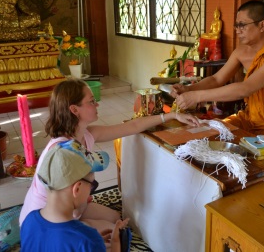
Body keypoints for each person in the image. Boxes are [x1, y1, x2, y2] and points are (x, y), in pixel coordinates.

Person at [19, 79, 200, 234]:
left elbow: (132, 127)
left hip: (73, 207)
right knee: (110, 233)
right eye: (91, 101)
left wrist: (171, 116)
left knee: (115, 219)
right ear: (74, 110)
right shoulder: (62, 152)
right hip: (47, 220)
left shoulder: (87, 134)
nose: (97, 104)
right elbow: (62, 208)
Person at [170, 0, 264, 143]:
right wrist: (188, 89)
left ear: (262, 25)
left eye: (242, 25)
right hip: (250, 119)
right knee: (209, 135)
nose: (237, 30)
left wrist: (196, 96)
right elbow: (216, 79)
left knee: (236, 151)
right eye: (236, 25)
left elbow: (245, 89)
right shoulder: (241, 52)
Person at [20, 139, 129, 251]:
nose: (91, 192)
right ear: (77, 188)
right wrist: (116, 243)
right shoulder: (87, 239)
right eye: (92, 185)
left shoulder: (29, 220)